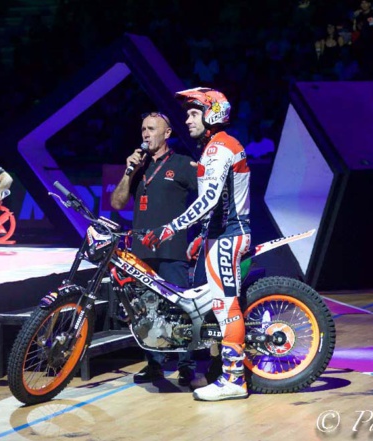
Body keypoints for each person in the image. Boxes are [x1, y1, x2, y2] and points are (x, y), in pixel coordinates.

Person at [142, 87, 252, 402]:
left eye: (193, 113)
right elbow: (218, 204)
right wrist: (202, 237)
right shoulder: (215, 147)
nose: (187, 119)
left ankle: (234, 380)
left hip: (230, 234)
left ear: (212, 113)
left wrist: (170, 228)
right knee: (216, 304)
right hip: (220, 234)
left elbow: (209, 200)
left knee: (224, 304)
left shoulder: (219, 149)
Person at [110, 111, 198, 387]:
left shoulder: (183, 165)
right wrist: (128, 173)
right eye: (143, 129)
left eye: (151, 129)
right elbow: (117, 203)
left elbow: (208, 200)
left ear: (167, 133)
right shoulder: (139, 167)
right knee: (146, 311)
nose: (146, 134)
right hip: (141, 253)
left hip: (173, 250)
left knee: (180, 309)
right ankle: (154, 365)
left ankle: (186, 364)